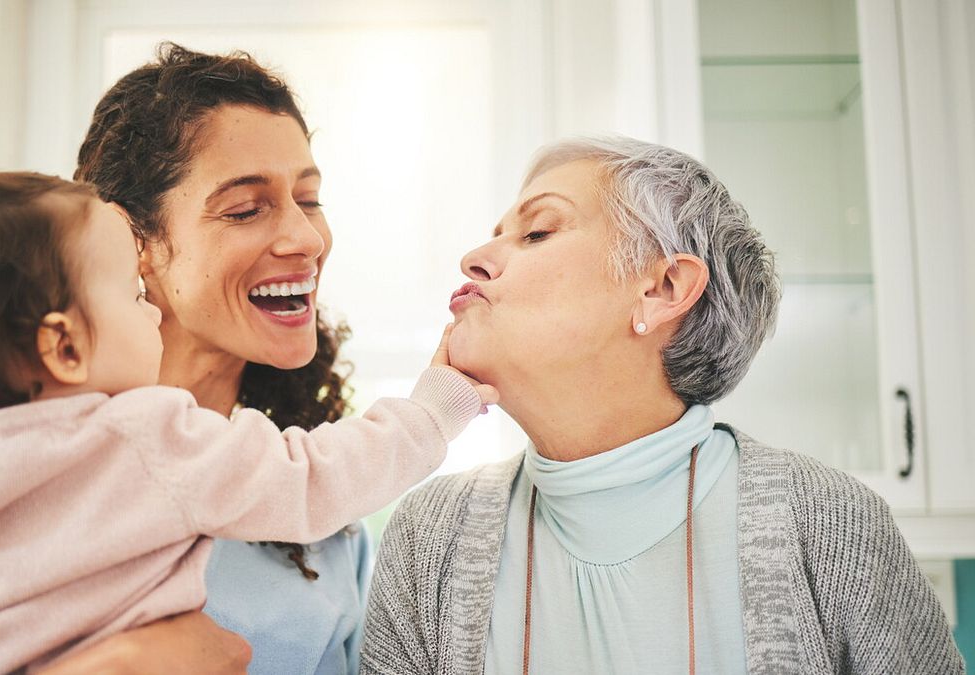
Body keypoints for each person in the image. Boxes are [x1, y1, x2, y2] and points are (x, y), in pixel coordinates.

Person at [0, 44, 391, 675]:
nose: (306, 238)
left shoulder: (327, 531)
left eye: (309, 199)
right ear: (133, 241)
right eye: (246, 208)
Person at [0, 171, 493, 673]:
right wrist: (437, 405)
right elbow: (317, 475)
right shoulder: (147, 437)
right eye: (131, 290)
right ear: (65, 345)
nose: (150, 308)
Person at [360, 137, 966, 674]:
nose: (475, 257)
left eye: (537, 231)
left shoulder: (827, 522)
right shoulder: (429, 534)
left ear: (663, 289)